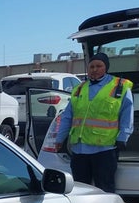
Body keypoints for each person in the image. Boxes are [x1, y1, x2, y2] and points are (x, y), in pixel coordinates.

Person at [54, 52, 134, 193]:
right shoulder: (79, 89)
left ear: (106, 67)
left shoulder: (119, 87)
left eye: (99, 66)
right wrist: (60, 138)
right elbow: (68, 116)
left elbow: (127, 114)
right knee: (79, 188)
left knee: (105, 188)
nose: (95, 69)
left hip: (104, 149)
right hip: (80, 149)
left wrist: (123, 136)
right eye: (91, 66)